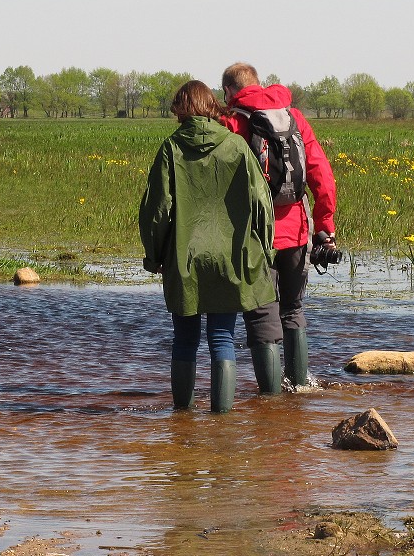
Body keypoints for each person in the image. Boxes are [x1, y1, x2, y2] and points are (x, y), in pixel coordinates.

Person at [139, 80, 277, 413]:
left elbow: (156, 209)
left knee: (184, 340)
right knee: (222, 339)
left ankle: (182, 419)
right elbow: (262, 203)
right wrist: (266, 250)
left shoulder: (171, 148)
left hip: (183, 256)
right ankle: (222, 422)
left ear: (180, 109)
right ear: (211, 106)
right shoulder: (237, 146)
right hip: (231, 257)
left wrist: (154, 255)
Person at [221, 62, 337, 390]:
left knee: (261, 315)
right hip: (299, 230)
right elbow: (322, 176)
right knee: (293, 310)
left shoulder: (233, 122)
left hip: (255, 235)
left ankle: (269, 406)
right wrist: (324, 226)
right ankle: (300, 390)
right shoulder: (294, 118)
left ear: (230, 91)